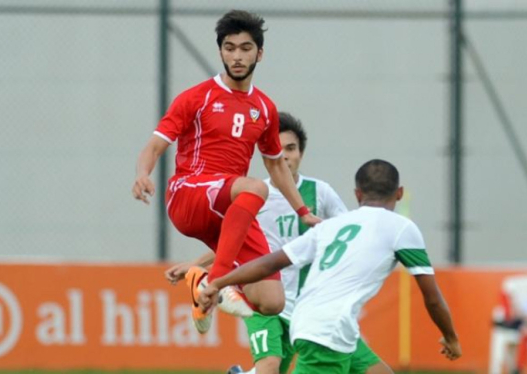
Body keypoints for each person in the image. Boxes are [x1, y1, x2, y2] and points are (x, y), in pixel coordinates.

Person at [132, 10, 320, 334]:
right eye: (229, 47)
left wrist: (302, 211)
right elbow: (154, 145)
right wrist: (142, 173)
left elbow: (275, 164)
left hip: (230, 206)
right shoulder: (196, 97)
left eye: (245, 48)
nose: (236, 55)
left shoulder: (264, 108)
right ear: (220, 51)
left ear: (259, 53)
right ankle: (217, 284)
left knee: (272, 300)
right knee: (256, 189)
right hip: (189, 193)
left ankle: (204, 285)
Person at [168, 113, 388, 374]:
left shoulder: (321, 192)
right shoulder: (255, 194)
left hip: (309, 307)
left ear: (301, 154)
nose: (284, 156)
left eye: (291, 149)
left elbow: (346, 235)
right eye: (278, 149)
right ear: (267, 155)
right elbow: (233, 240)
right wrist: (193, 264)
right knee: (270, 367)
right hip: (267, 295)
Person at [199, 159, 463, 373]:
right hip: (327, 331)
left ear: (357, 194)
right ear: (400, 193)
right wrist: (450, 337)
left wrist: (220, 281)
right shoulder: (402, 228)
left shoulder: (331, 226)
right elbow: (433, 298)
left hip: (320, 324)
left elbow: (271, 262)